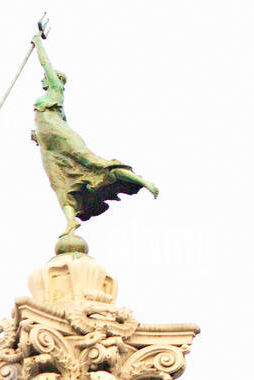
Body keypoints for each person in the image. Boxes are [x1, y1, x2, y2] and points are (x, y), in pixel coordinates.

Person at [30, 31, 158, 241]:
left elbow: (46, 64)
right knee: (59, 183)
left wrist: (37, 44)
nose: (44, 80)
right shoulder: (51, 100)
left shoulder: (55, 90)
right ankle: (71, 221)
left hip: (60, 138)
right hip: (47, 146)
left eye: (47, 77)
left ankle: (140, 181)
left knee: (92, 162)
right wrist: (38, 136)